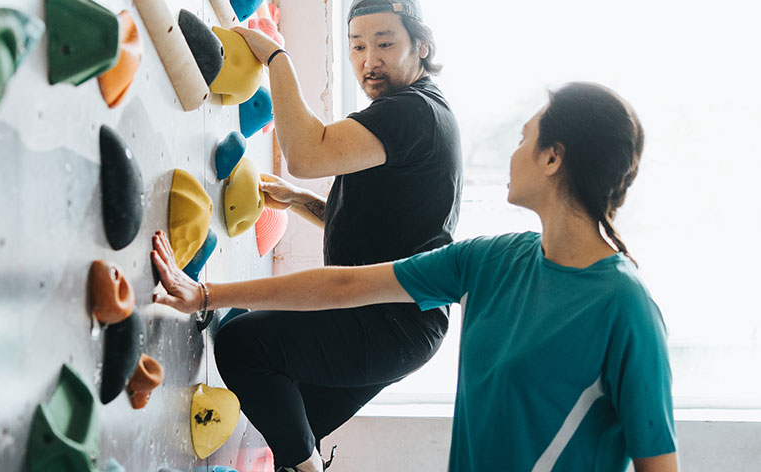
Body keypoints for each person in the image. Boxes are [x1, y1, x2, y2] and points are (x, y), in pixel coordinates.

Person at [152, 82, 678, 471]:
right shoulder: (494, 261)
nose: (513, 152)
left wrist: (207, 294)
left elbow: (658, 462)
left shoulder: (624, 307)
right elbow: (346, 285)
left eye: (524, 139)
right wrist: (205, 294)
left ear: (553, 158)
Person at [208, 0, 462, 472]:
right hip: (403, 325)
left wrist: (276, 58)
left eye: (385, 43)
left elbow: (307, 154)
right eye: (357, 46)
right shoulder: (424, 110)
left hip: (389, 322)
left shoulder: (411, 112)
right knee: (297, 424)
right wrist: (301, 201)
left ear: (421, 46)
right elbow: (378, 227)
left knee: (242, 345)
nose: (369, 60)